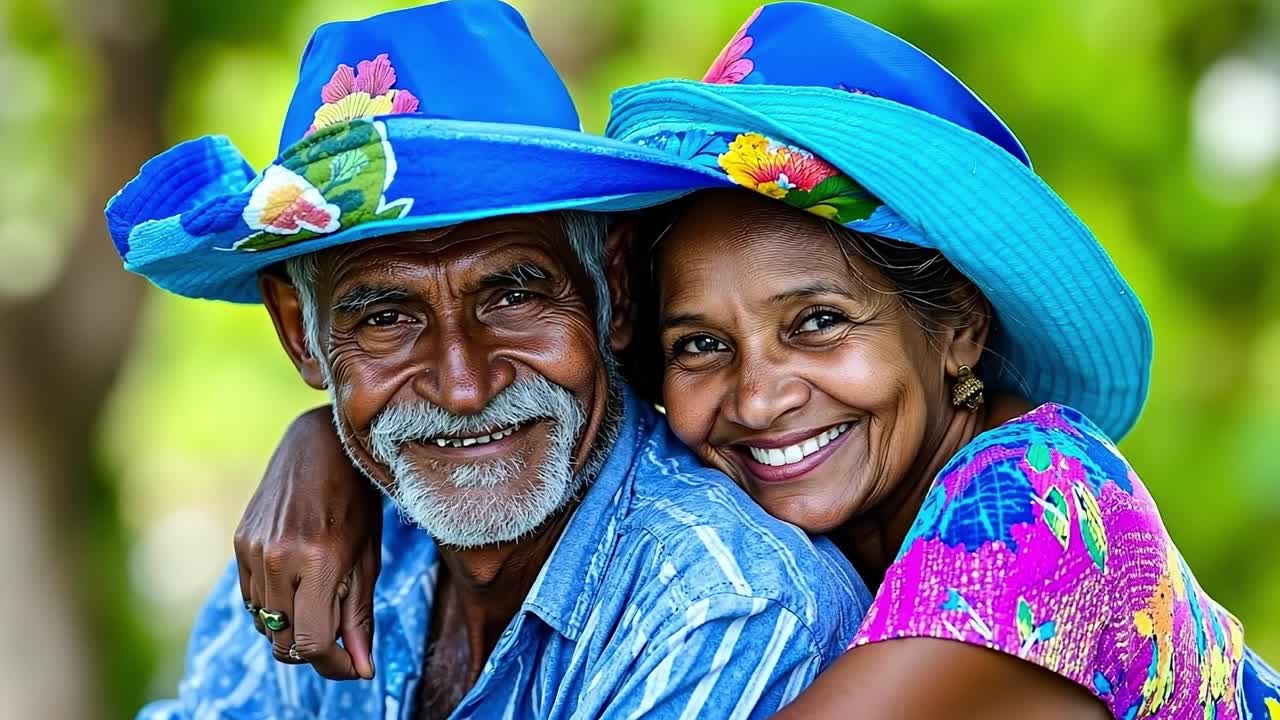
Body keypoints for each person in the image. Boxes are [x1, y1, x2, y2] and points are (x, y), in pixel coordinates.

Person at [239, 3, 1280, 719]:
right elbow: (491, 398)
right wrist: (330, 434)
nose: (759, 394)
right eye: (699, 343)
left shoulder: (1038, 516)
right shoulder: (822, 491)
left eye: (818, 323)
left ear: (956, 326)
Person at [107, 2, 874, 718]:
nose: (464, 386)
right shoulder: (305, 559)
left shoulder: (721, 603)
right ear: (300, 336)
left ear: (612, 288)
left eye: (513, 297)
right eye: (386, 317)